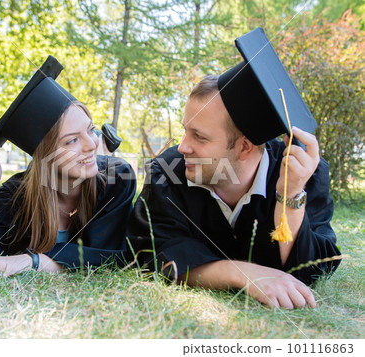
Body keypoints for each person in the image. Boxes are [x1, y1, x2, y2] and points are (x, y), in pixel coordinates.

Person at [127, 28, 340, 309]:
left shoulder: (304, 173)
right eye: (185, 131)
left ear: (244, 146)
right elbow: (151, 250)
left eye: (199, 137)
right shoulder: (168, 171)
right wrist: (244, 274)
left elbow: (310, 270)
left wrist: (290, 195)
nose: (182, 147)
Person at [0, 56, 135, 277]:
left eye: (90, 129)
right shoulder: (19, 194)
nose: (92, 145)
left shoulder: (116, 179)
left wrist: (32, 261)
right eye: (72, 141)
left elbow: (108, 256)